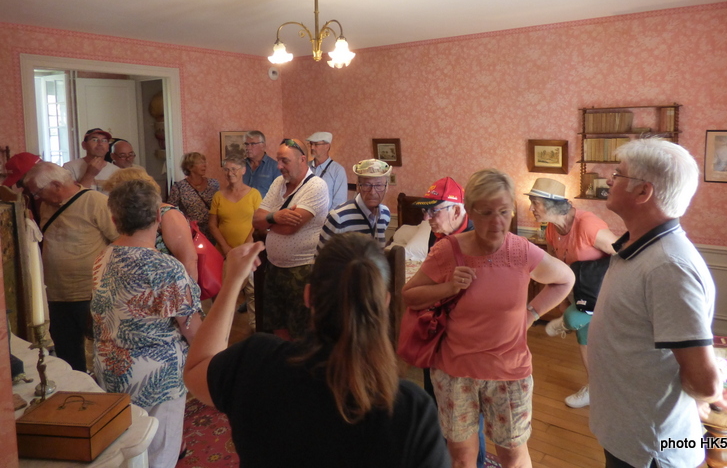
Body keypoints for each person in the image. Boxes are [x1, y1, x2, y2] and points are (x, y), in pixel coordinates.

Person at [183, 233, 450, 468]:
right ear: (385, 302)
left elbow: (196, 369)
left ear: (308, 295)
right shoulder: (411, 411)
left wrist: (232, 282)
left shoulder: (256, 360)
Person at [588, 139, 727, 468]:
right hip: (626, 431)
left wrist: (707, 393)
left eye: (618, 174)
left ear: (643, 191)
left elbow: (703, 381)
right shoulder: (640, 249)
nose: (609, 180)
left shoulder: (668, 267)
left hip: (649, 447)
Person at [403, 168, 574, 468]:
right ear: (469, 211)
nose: (497, 222)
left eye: (504, 212)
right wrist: (449, 287)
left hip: (510, 373)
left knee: (513, 457)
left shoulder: (521, 251)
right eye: (486, 212)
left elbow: (565, 279)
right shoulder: (447, 250)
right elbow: (410, 295)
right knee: (462, 458)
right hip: (455, 373)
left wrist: (531, 314)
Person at [92, 179, 202, 468]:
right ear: (157, 216)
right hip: (157, 378)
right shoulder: (165, 266)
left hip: (111, 368)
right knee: (158, 455)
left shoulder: (102, 257)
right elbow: (192, 328)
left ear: (114, 219)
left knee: (125, 451)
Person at [413, 176, 487, 468]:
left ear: (457, 210)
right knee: (435, 400)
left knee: (467, 418)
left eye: (434, 210)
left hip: (468, 343)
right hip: (438, 333)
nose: (427, 217)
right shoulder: (439, 234)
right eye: (425, 210)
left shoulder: (479, 238)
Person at [527, 177, 616, 409]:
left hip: (605, 293)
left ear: (551, 204)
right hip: (582, 293)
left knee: (576, 321)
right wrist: (561, 300)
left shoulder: (587, 225)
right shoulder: (551, 230)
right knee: (584, 339)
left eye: (535, 203)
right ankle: (595, 388)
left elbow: (622, 253)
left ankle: (567, 323)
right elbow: (557, 268)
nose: (531, 208)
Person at [23, 162, 117, 371]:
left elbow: (119, 241)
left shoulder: (96, 201)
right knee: (67, 357)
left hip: (88, 294)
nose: (37, 198)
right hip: (56, 295)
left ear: (56, 185)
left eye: (38, 192)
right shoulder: (47, 206)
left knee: (98, 355)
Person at [253, 139, 329, 340]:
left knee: (301, 330)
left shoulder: (316, 186)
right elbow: (256, 220)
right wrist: (276, 216)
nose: (279, 166)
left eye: (284, 161)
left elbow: (289, 228)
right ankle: (283, 358)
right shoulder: (278, 183)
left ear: (302, 159)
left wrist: (268, 220)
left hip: (302, 270)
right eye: (278, 160)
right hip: (273, 267)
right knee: (277, 324)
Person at [104, 168, 198, 282]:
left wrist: (188, 290)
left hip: (169, 285)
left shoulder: (167, 214)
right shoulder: (132, 217)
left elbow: (189, 260)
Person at [209, 153, 262, 330]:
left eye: (234, 169)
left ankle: (255, 327)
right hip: (224, 253)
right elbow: (213, 224)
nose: (230, 173)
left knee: (252, 291)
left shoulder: (254, 194)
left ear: (243, 171)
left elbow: (257, 223)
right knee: (223, 292)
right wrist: (225, 247)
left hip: (249, 252)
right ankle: (222, 328)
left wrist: (246, 246)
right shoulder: (218, 196)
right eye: (226, 169)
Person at [317, 158, 391, 251]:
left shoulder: (385, 214)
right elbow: (321, 257)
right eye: (367, 185)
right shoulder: (338, 218)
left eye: (379, 185)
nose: (372, 192)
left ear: (386, 187)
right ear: (358, 187)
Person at [167, 152, 221, 243]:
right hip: (192, 233)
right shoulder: (179, 187)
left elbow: (220, 206)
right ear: (190, 167)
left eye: (204, 162)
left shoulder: (213, 184)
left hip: (213, 231)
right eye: (200, 163)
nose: (204, 165)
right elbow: (171, 211)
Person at [62, 128, 119, 192]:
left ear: (108, 147)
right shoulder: (69, 167)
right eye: (94, 140)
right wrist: (89, 174)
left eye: (104, 140)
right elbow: (71, 196)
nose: (100, 143)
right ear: (84, 145)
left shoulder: (116, 171)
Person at [307, 131, 348, 208]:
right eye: (311, 144)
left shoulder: (338, 171)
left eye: (316, 144)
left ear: (327, 146)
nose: (312, 147)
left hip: (327, 215)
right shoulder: (305, 167)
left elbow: (339, 202)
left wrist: (329, 216)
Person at [242, 130, 280, 197]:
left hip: (264, 203)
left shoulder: (275, 167)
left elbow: (279, 193)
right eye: (246, 144)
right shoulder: (240, 165)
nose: (248, 148)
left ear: (263, 146)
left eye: (253, 144)